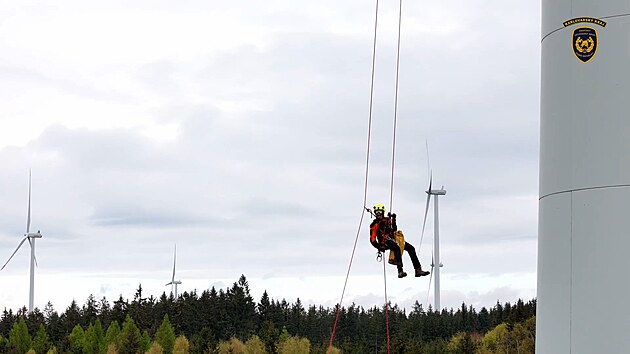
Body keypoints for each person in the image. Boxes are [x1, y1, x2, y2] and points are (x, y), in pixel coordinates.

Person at [369, 203, 430, 278]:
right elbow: (372, 239)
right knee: (396, 247)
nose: (378, 214)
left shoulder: (388, 220)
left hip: (393, 238)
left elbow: (394, 229)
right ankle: (400, 271)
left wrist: (394, 219)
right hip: (384, 242)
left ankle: (418, 270)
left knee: (411, 248)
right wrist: (379, 247)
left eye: (380, 212)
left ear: (383, 212)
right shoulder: (375, 224)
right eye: (377, 212)